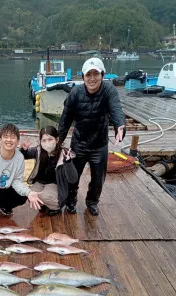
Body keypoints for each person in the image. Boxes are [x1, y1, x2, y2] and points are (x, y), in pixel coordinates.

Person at [58, 57, 126, 216]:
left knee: (98, 179)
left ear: (102, 75)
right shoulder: (75, 93)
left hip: (99, 144)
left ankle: (92, 201)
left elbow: (116, 108)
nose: (92, 78)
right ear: (83, 77)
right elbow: (65, 119)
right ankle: (71, 200)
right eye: (88, 74)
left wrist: (119, 125)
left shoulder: (109, 90)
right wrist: (58, 141)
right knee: (73, 176)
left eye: (96, 74)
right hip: (79, 143)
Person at [20, 125, 78, 216]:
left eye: (50, 139)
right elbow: (25, 155)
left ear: (57, 140)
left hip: (55, 184)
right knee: (29, 195)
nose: (47, 143)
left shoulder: (65, 154)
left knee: (41, 196)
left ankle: (56, 208)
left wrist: (68, 162)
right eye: (44, 140)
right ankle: (44, 204)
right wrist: (23, 150)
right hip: (40, 182)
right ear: (40, 141)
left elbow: (73, 179)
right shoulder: (38, 150)